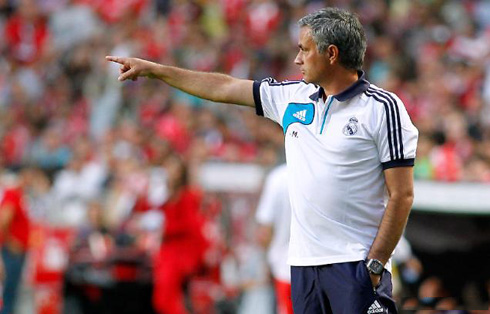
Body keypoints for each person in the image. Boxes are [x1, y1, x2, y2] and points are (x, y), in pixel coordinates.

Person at [107, 7, 418, 313]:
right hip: (303, 266)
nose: (297, 59)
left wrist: (375, 264)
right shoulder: (292, 97)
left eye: (304, 50)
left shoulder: (381, 108)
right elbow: (225, 86)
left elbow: (401, 194)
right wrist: (158, 71)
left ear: (331, 54)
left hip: (354, 265)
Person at [255, 163, 293, 314]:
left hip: (284, 267)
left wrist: (266, 260)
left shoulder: (278, 178)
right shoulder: (318, 171)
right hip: (319, 265)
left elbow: (265, 228)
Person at [0, 168, 34, 314]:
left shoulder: (21, 196)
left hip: (19, 250)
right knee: (8, 292)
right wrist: (10, 242)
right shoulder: (13, 194)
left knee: (13, 292)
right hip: (11, 252)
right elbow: (3, 220)